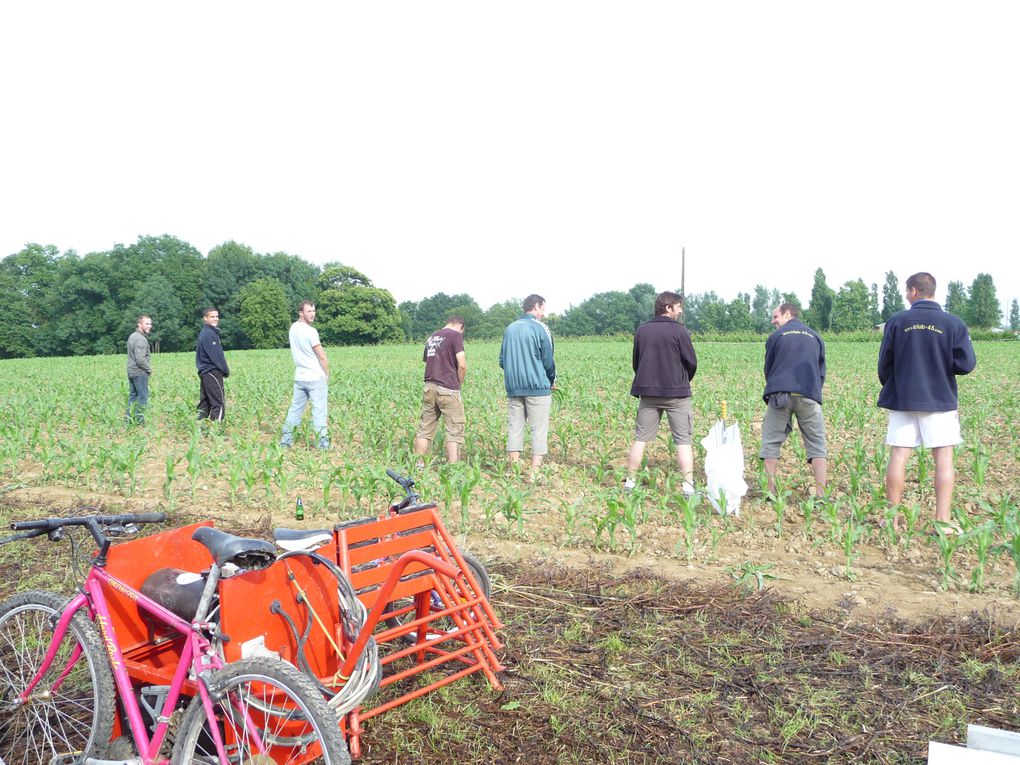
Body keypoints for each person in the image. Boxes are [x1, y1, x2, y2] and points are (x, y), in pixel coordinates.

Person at [878, 272, 976, 530]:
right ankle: (942, 522)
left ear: (913, 291)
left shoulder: (897, 321)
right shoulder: (953, 323)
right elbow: (966, 364)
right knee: (943, 457)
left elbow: (884, 364)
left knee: (899, 455)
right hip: (940, 399)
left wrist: (895, 383)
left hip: (903, 398)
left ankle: (893, 518)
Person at [625, 291, 697, 494]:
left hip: (648, 393)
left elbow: (636, 362)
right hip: (677, 394)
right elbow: (691, 362)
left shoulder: (642, 330)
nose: (680, 310)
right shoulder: (680, 331)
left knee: (640, 438)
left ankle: (630, 482)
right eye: (678, 306)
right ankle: (688, 487)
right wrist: (681, 381)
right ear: (668, 308)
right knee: (683, 441)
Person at [759, 303, 827, 497]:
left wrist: (776, 387)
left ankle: (770, 492)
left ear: (787, 313)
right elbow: (821, 371)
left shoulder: (776, 337)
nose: (773, 321)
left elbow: (769, 369)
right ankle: (822, 495)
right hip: (809, 395)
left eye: (775, 316)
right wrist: (812, 390)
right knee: (817, 445)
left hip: (780, 395)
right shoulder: (815, 336)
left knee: (771, 443)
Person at [499, 294, 556, 473]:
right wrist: (551, 380)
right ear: (536, 307)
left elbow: (502, 360)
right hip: (537, 387)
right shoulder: (541, 327)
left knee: (515, 428)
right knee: (538, 429)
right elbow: (548, 359)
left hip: (513, 387)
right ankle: (535, 473)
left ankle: (514, 470)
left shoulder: (510, 328)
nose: (543, 313)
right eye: (543, 309)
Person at [413, 316, 467, 463]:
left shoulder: (433, 336)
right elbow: (462, 365)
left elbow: (427, 360)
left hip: (429, 387)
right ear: (460, 326)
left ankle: (418, 464)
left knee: (425, 429)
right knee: (454, 430)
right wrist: (458, 385)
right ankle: (453, 467)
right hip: (448, 387)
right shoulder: (455, 336)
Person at [280, 301, 330, 450]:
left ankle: (285, 441)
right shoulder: (311, 331)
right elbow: (321, 356)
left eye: (314, 311)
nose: (312, 314)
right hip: (315, 377)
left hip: (300, 377)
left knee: (294, 410)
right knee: (319, 412)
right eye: (309, 311)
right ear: (300, 313)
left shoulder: (293, 328)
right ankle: (322, 445)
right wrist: (326, 374)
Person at [196, 307, 230, 422]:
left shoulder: (207, 333)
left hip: (205, 372)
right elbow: (216, 356)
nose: (215, 319)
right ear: (205, 318)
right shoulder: (209, 334)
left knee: (205, 403)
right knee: (218, 403)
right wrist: (225, 370)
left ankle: (198, 428)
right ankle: (216, 431)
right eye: (212, 316)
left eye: (217, 316)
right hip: (212, 372)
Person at [126, 315, 153, 424]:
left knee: (133, 397)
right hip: (139, 372)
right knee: (142, 397)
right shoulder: (140, 339)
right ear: (139, 324)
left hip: (131, 371)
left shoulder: (132, 336)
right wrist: (149, 369)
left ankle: (129, 419)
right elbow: (140, 359)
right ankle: (139, 421)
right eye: (146, 324)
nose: (149, 326)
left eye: (150, 324)